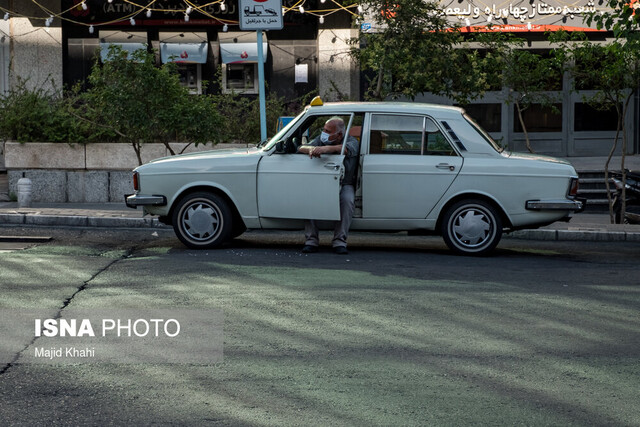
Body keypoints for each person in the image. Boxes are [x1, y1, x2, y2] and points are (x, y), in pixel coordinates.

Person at [297, 117, 359, 255]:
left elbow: (345, 150)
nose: (324, 133)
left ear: (339, 135)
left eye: (327, 131)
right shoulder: (322, 139)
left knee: (347, 201)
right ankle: (311, 240)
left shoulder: (352, 141)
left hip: (344, 183)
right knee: (309, 199)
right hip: (321, 182)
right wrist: (313, 149)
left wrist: (325, 149)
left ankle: (339, 241)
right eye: (324, 130)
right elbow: (301, 147)